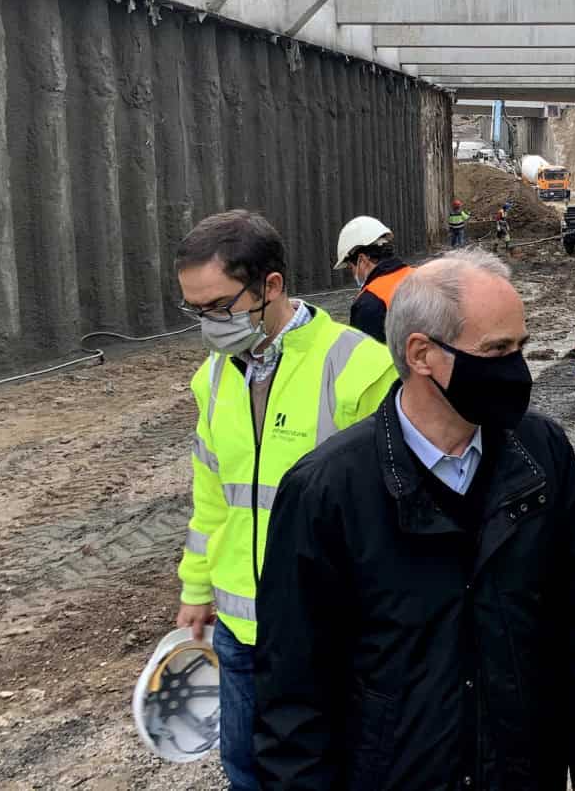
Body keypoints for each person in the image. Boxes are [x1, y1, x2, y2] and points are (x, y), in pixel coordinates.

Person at [254, 248, 575, 791]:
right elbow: (293, 694)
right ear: (422, 354)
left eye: (520, 347)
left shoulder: (543, 451)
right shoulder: (325, 493)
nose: (516, 369)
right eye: (497, 350)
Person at [172, 209, 398, 791]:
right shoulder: (213, 378)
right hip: (240, 628)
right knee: (245, 769)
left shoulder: (360, 367)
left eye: (220, 307)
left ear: (271, 285)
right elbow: (211, 497)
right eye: (195, 311)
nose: (209, 325)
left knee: (334, 772)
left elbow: (391, 513)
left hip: (332, 632)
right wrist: (197, 588)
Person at [334, 214, 414, 344]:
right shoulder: (420, 277)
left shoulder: (369, 303)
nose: (353, 273)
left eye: (350, 267)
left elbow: (366, 358)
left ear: (362, 260)